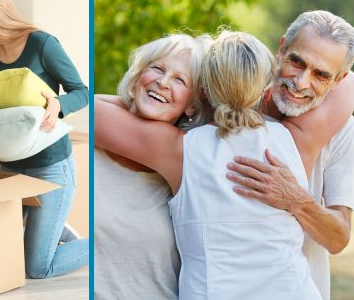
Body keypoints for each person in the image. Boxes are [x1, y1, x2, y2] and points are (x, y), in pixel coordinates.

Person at [95, 30, 354, 299]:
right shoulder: (296, 140)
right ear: (267, 88)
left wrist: (134, 95)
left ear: (203, 92)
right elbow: (348, 84)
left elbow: (91, 111)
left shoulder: (178, 150)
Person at [0, 0, 89, 278]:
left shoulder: (42, 44)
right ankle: (53, 225)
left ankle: (100, 244)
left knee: (37, 267)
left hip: (51, 167)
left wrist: (58, 104)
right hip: (11, 168)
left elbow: (83, 91)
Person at [225, 10, 354, 300]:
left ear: (339, 79)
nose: (301, 82)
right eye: (297, 62)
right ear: (281, 48)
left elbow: (338, 238)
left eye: (321, 75)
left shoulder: (343, 130)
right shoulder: (235, 97)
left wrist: (297, 200)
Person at [95, 33, 212, 299]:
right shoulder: (90, 139)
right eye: (157, 68)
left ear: (192, 107)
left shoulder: (186, 161)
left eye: (180, 80)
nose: (163, 82)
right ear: (137, 77)